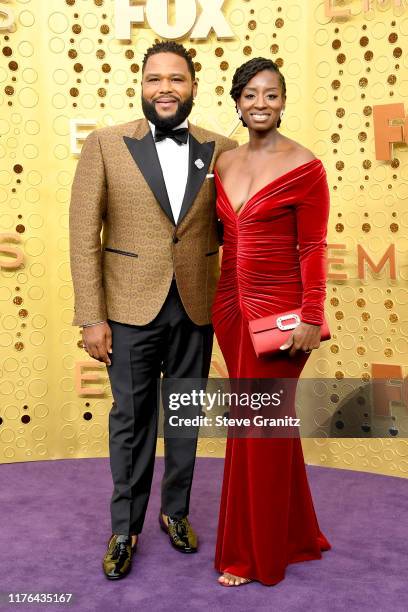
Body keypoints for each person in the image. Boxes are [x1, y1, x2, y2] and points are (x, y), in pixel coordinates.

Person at [69, 41, 237, 580]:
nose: (165, 88)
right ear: (142, 85)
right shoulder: (105, 143)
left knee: (185, 417)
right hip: (126, 307)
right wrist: (91, 316)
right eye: (155, 79)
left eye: (177, 79)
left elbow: (235, 229)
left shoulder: (223, 148)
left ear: (193, 85)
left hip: (196, 306)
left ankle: (176, 512)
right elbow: (82, 236)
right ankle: (125, 528)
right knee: (131, 421)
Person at [212, 57, 331, 586]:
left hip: (283, 317)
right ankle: (297, 534)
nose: (261, 104)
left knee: (258, 427)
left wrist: (311, 316)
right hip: (231, 310)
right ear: (237, 101)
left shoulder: (305, 164)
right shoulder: (224, 162)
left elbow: (313, 247)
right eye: (251, 95)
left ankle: (252, 556)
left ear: (284, 102)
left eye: (272, 94)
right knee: (263, 425)